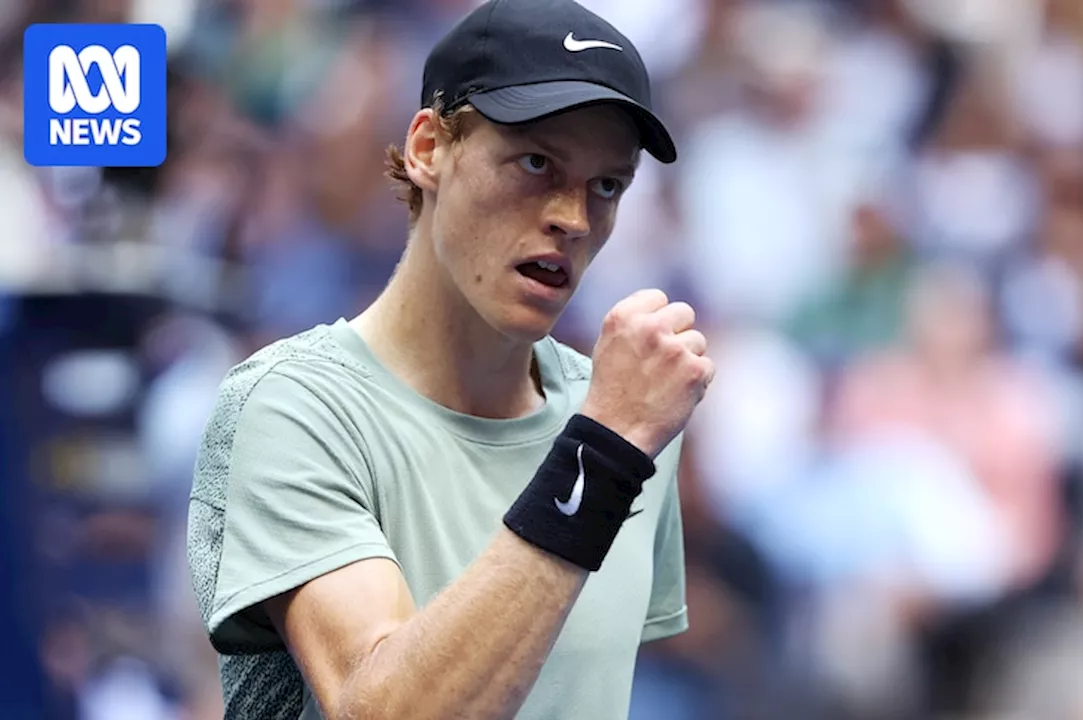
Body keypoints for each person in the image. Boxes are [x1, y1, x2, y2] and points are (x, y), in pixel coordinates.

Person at [185, 1, 715, 718]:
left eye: (607, 185)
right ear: (428, 148)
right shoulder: (289, 406)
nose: (575, 217)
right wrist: (604, 454)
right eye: (536, 162)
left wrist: (611, 441)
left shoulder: (622, 416)